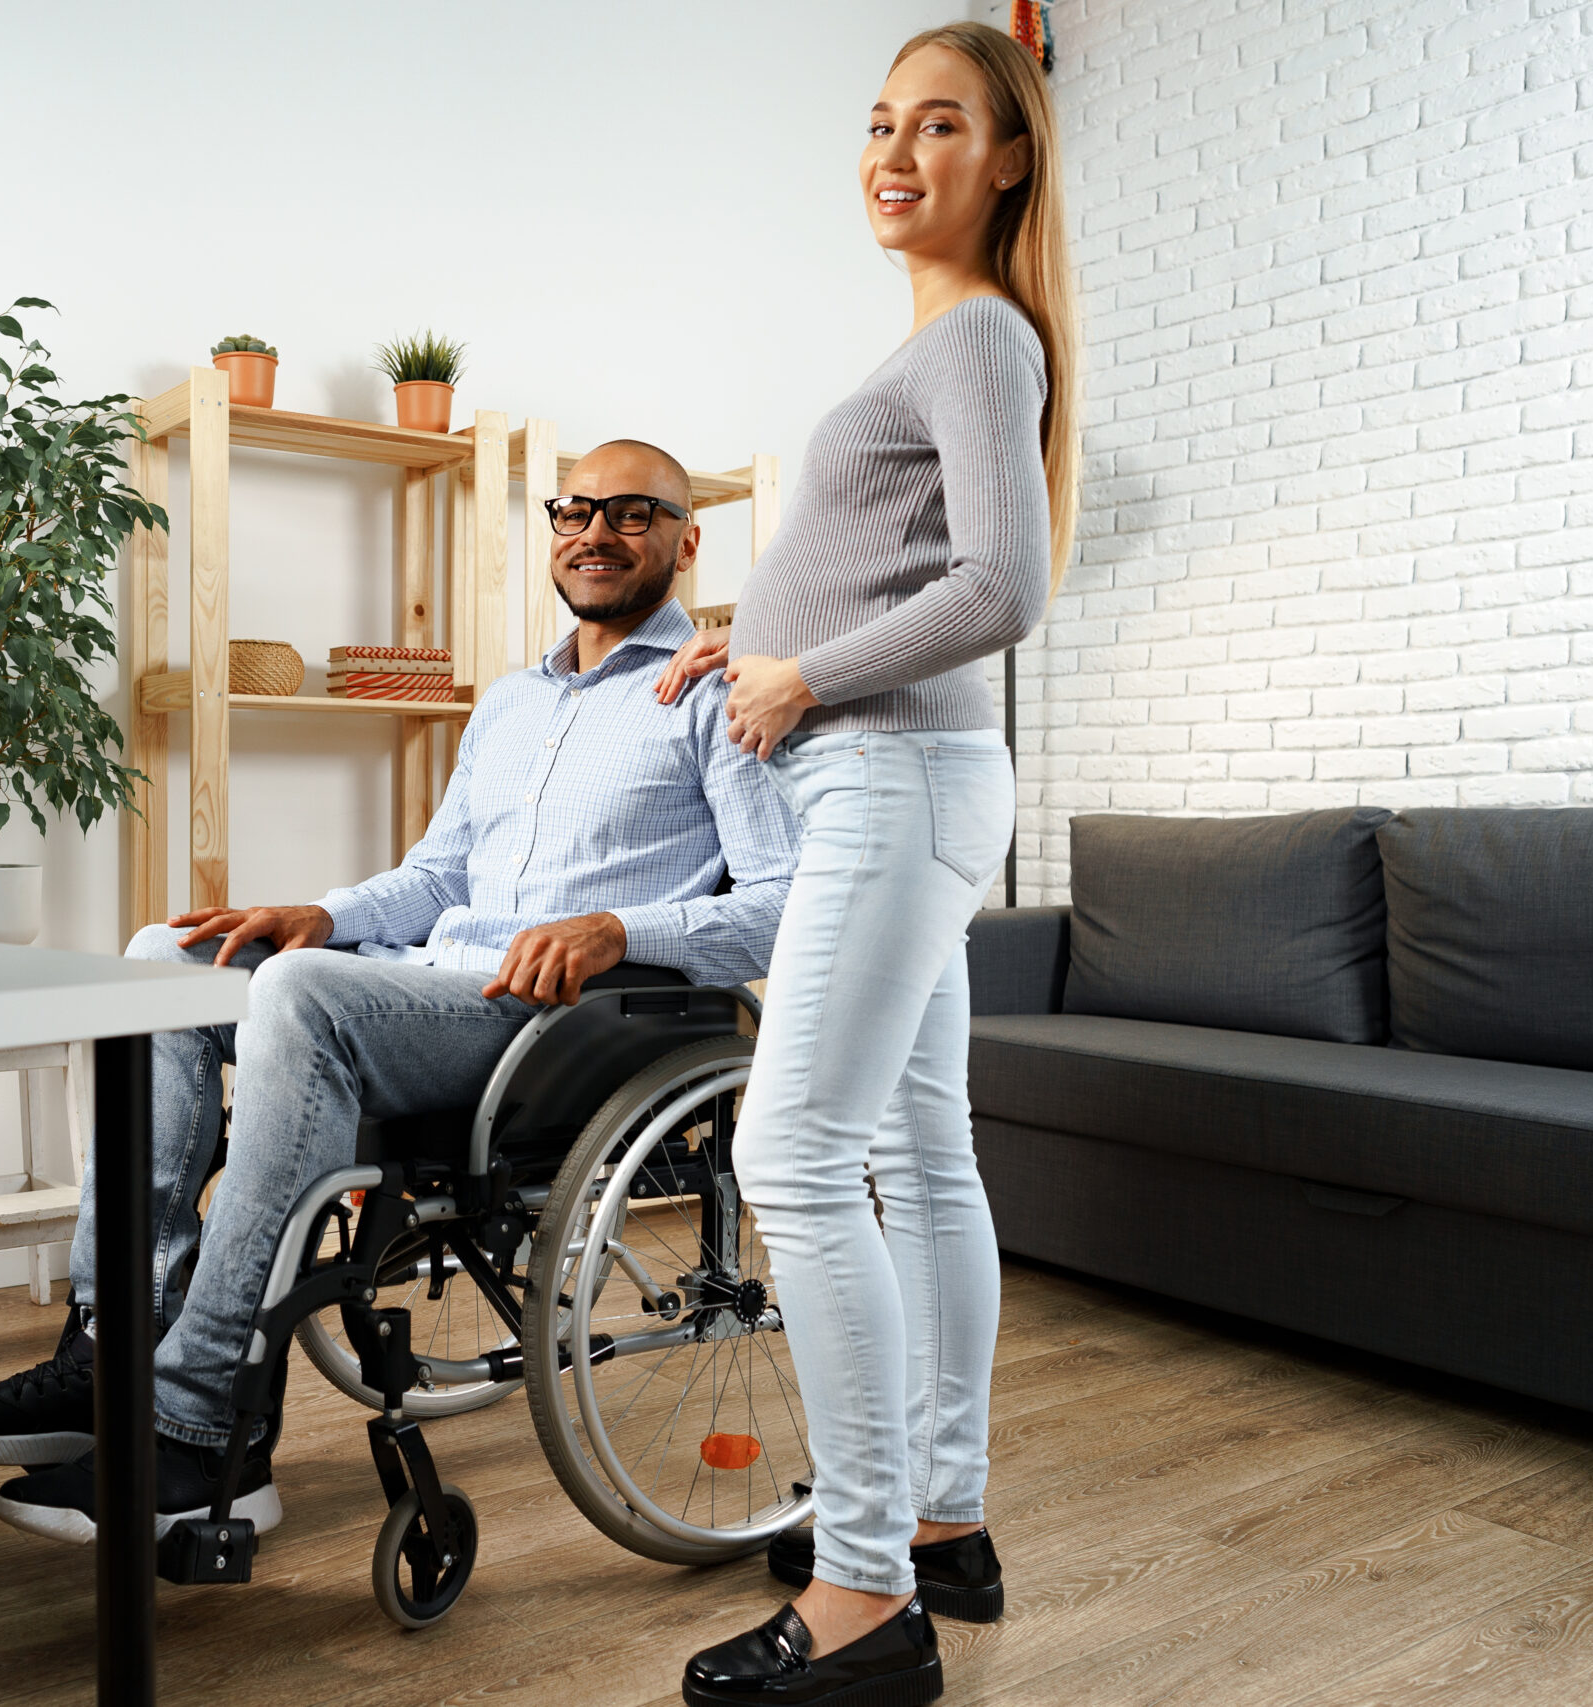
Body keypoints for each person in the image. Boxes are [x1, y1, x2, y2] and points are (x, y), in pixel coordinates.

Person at [0, 439, 800, 1544]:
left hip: (558, 1028)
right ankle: (108, 1347)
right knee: (161, 960)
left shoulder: (713, 689)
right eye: (574, 511)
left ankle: (202, 1432)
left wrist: (618, 928)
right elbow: (436, 877)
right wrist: (323, 915)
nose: (595, 533)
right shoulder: (511, 703)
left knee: (301, 997)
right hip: (428, 983)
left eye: (631, 513)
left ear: (685, 537)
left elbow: (778, 901)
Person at [660, 25, 1079, 1707]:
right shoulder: (944, 341)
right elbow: (900, 574)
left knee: (797, 1151)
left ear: (1008, 159)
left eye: (943, 123)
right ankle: (941, 1523)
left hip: (892, 778)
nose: (897, 149)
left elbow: (1002, 590)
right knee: (918, 1145)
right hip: (899, 774)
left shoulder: (977, 337)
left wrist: (800, 673)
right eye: (881, 120)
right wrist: (739, 641)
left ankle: (862, 1598)